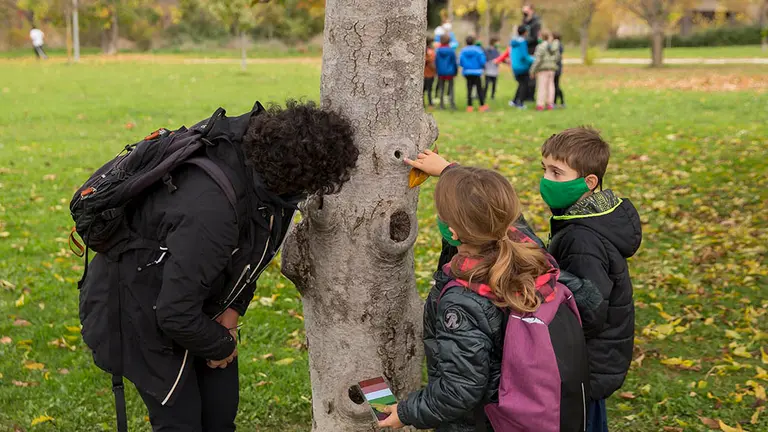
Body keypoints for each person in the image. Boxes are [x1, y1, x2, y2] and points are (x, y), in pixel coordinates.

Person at [78, 100, 359, 431]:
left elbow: (254, 250)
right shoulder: (213, 212)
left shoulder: (267, 182)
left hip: (193, 299)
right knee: (180, 423)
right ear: (302, 176)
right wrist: (221, 343)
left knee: (219, 417)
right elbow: (174, 313)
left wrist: (234, 309)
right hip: (137, 309)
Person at [379, 155, 590, 431]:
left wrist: (406, 413)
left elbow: (459, 390)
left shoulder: (463, 301)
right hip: (520, 405)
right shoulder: (532, 260)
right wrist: (451, 171)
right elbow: (591, 299)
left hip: (480, 421)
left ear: (452, 232)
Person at [541, 127, 642, 432]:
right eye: (544, 169)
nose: (546, 180)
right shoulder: (589, 219)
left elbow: (589, 308)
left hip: (586, 364)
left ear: (590, 182)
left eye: (557, 173)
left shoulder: (582, 236)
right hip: (592, 362)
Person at [495, 27, 534, 109]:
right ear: (525, 32)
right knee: (525, 84)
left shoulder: (513, 42)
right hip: (522, 66)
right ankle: (520, 103)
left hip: (515, 66)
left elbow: (507, 53)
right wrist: (534, 59)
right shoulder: (522, 42)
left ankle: (515, 101)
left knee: (521, 84)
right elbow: (524, 56)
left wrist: (498, 60)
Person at [530, 30, 561, 111]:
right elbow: (557, 57)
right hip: (552, 69)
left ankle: (540, 105)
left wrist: (532, 71)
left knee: (541, 87)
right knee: (551, 86)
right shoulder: (554, 46)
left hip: (542, 69)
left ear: (542, 37)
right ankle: (550, 104)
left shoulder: (540, 47)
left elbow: (537, 60)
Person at [459, 35, 488, 113]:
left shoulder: (463, 50)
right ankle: (482, 106)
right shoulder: (478, 50)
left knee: (469, 89)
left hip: (467, 72)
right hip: (477, 72)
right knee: (479, 89)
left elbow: (461, 61)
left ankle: (469, 106)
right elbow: (482, 61)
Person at [435, 34, 458, 110]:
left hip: (441, 72)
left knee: (441, 88)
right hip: (450, 72)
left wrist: (437, 70)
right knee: (451, 88)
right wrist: (456, 71)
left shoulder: (438, 51)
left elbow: (436, 61)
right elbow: (454, 62)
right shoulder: (451, 51)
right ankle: (452, 104)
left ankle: (441, 105)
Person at [483, 37, 501, 101]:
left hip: (495, 69)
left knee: (494, 84)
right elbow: (485, 58)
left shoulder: (497, 51)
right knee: (487, 84)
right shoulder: (487, 50)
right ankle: (484, 95)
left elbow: (500, 58)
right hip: (488, 68)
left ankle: (492, 96)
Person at [553, 32, 566, 108]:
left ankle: (559, 100)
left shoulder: (557, 45)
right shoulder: (558, 45)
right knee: (555, 85)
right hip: (557, 68)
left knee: (556, 85)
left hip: (556, 68)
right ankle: (556, 101)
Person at [424, 37, 437, 108]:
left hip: (425, 73)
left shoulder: (424, 51)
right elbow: (432, 61)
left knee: (424, 90)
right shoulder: (431, 52)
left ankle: (424, 103)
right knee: (429, 89)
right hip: (429, 73)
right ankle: (430, 104)